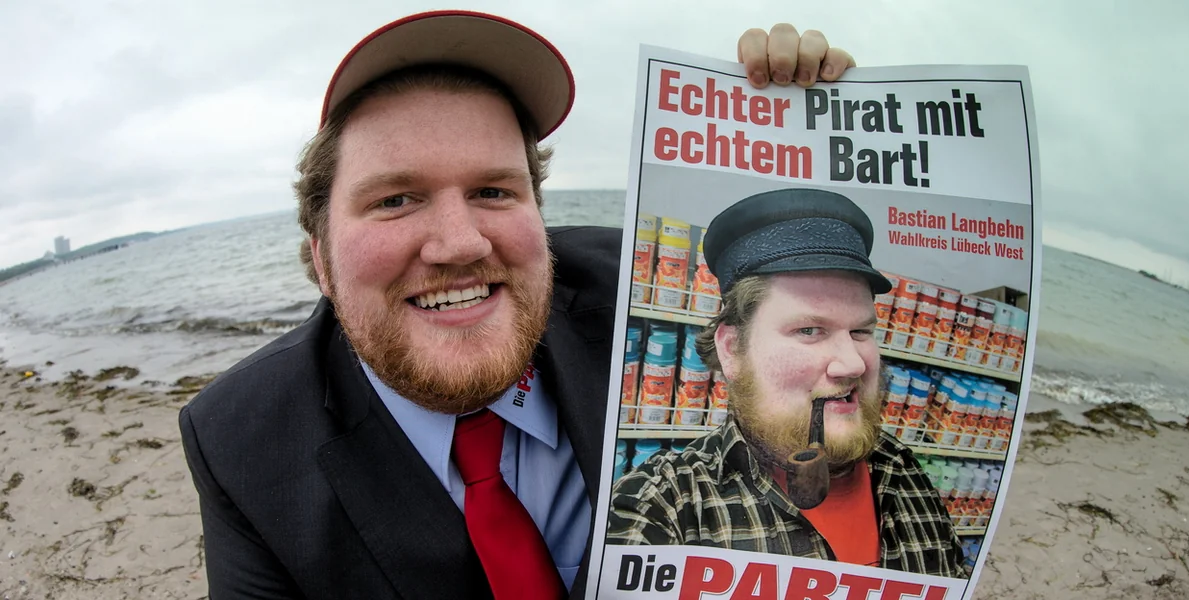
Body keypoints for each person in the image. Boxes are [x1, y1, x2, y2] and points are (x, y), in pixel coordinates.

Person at [178, 10, 861, 599]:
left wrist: (803, 126)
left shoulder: (644, 290)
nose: (460, 242)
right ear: (322, 260)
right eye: (395, 199)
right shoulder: (241, 440)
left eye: (494, 192)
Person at [606, 188, 967, 579]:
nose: (853, 363)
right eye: (809, 330)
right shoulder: (662, 506)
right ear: (732, 350)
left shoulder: (902, 468)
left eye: (861, 331)